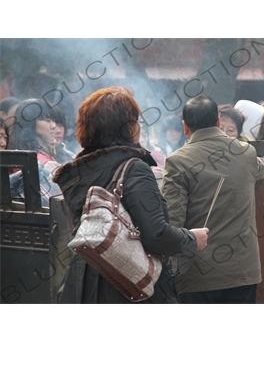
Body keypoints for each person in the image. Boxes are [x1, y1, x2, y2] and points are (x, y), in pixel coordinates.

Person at [52, 86, 209, 304]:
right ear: (127, 127)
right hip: (126, 283)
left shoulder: (79, 171)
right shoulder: (134, 167)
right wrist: (192, 239)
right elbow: (156, 235)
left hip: (84, 281)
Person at [161, 94, 264, 304]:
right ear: (218, 122)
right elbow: (263, 170)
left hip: (198, 275)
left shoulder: (177, 161)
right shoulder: (246, 152)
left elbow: (172, 223)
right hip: (242, 271)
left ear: (185, 127)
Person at [7, 98, 63, 206]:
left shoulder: (53, 151)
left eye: (53, 121)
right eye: (47, 121)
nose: (53, 126)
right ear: (31, 123)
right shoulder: (27, 157)